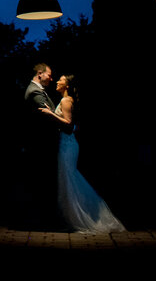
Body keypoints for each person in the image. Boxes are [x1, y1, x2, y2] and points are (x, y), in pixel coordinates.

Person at [40, 74, 126, 233]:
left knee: (70, 179)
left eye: (61, 80)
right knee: (67, 179)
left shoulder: (67, 100)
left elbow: (68, 124)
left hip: (68, 144)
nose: (57, 81)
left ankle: (85, 216)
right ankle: (73, 218)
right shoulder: (66, 100)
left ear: (67, 85)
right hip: (66, 144)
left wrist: (50, 113)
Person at [23, 62, 71, 229]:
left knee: (47, 181)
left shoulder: (40, 91)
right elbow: (45, 115)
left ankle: (46, 220)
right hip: (42, 144)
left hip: (49, 143)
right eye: (49, 74)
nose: (52, 78)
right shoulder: (35, 91)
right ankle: (45, 221)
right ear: (39, 73)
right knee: (44, 182)